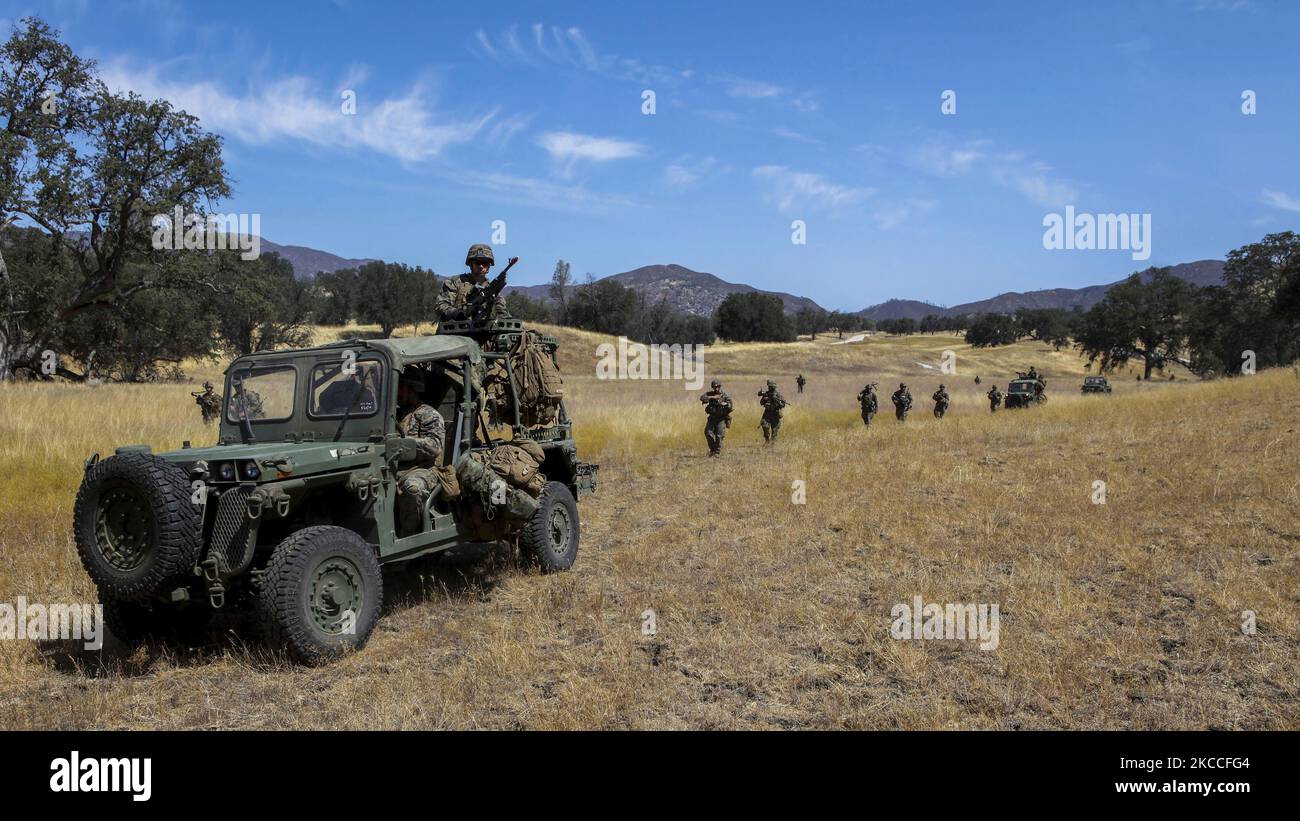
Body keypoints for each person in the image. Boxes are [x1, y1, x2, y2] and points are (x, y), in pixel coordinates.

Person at [394, 368, 447, 534]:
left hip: (422, 469)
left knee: (412, 488)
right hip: (392, 468)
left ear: (412, 388)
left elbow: (435, 446)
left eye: (401, 387)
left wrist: (404, 443)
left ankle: (409, 538)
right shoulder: (392, 414)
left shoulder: (428, 414)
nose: (397, 392)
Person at [433, 244, 511, 323]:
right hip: (454, 332)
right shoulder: (454, 282)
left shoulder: (491, 290)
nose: (481, 266)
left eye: (484, 263)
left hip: (483, 332)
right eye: (477, 263)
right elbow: (441, 305)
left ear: (489, 266)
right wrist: (456, 314)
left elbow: (502, 313)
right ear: (470, 264)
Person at [699, 379, 734, 457]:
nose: (716, 389)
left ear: (720, 386)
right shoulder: (710, 394)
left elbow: (730, 405)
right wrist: (712, 398)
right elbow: (702, 397)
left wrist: (724, 404)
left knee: (719, 436)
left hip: (721, 419)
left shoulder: (725, 395)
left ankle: (717, 452)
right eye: (714, 387)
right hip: (712, 418)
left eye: (717, 387)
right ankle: (712, 450)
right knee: (708, 433)